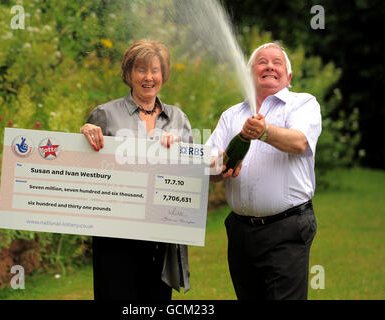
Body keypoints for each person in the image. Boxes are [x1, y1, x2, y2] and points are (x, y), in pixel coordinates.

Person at [207, 42, 322, 300]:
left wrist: (264, 131)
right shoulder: (231, 115)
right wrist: (222, 165)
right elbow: (210, 167)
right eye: (261, 61)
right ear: (250, 74)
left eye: (276, 62)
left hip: (287, 229)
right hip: (240, 232)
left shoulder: (302, 104)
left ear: (288, 76)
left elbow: (299, 142)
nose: (269, 66)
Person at [80, 39, 192, 300]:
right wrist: (84, 132)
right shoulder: (105, 114)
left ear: (163, 74)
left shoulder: (178, 118)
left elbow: (190, 175)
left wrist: (178, 153)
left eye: (155, 70)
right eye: (141, 70)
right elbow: (85, 166)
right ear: (129, 74)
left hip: (161, 237)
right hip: (115, 237)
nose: (149, 77)